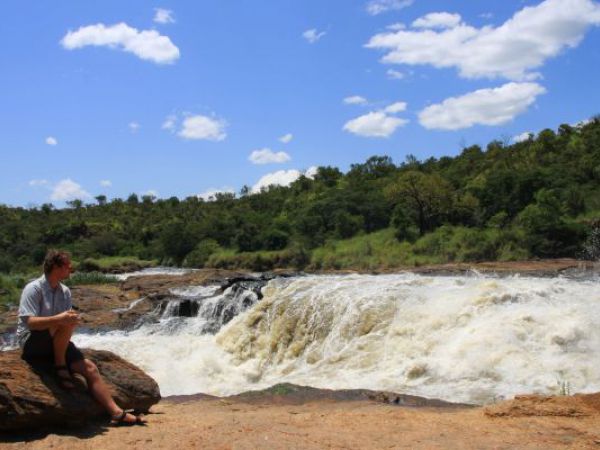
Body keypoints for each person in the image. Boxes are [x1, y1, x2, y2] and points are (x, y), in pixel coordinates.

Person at [17, 249, 145, 426]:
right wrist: (59, 319)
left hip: (55, 341)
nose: (71, 269)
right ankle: (60, 365)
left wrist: (65, 320)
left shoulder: (65, 291)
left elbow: (65, 322)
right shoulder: (33, 289)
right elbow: (29, 322)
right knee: (63, 320)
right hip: (32, 341)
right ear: (56, 267)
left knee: (90, 368)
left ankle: (116, 412)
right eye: (68, 266)